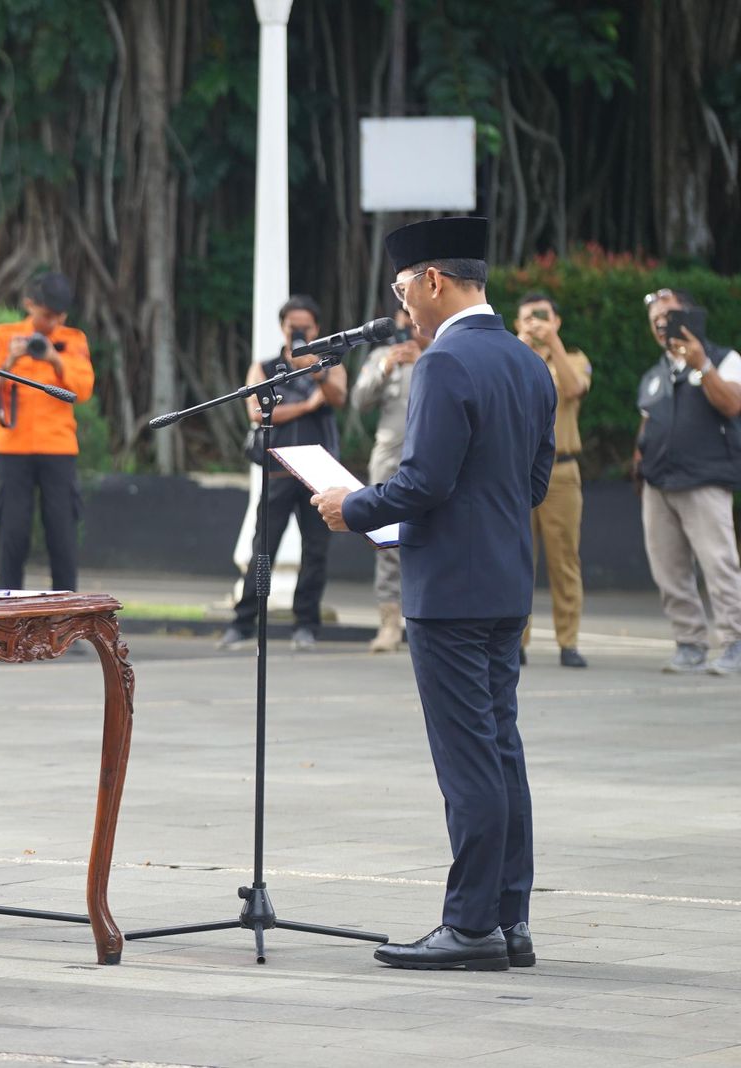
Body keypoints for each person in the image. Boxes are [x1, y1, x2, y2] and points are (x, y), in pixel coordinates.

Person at [313, 216, 556, 971]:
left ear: (433, 281)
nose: (401, 305)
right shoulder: (526, 363)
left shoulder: (445, 363)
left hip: (449, 589)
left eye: (402, 288)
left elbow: (424, 481)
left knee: (469, 761)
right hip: (505, 582)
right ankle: (509, 919)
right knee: (501, 749)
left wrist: (350, 508)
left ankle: (472, 926)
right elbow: (534, 483)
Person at [219, 295, 348, 652]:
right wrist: (306, 406)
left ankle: (306, 624)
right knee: (263, 549)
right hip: (277, 470)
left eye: (306, 326)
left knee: (315, 552)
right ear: (283, 327)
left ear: (317, 328)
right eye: (294, 327)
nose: (300, 332)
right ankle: (243, 622)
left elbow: (339, 397)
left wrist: (316, 369)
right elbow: (256, 414)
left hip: (319, 473)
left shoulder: (329, 362)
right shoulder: (265, 367)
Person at [635, 289, 741, 675]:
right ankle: (690, 642)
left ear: (691, 316)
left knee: (719, 562)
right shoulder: (654, 375)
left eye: (669, 314)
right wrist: (639, 467)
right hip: (659, 484)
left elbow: (732, 404)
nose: (661, 323)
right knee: (669, 568)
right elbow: (646, 426)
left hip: (705, 480)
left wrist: (702, 365)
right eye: (655, 321)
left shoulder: (725, 359)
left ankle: (735, 641)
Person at [0, 272, 96, 591]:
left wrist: (56, 359)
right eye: (47, 315)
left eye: (60, 316)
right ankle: (6, 620)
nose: (53, 322)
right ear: (29, 305)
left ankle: (65, 619)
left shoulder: (73, 339)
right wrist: (11, 360)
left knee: (63, 535)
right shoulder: (5, 336)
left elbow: (83, 390)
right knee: (12, 535)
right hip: (13, 448)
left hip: (58, 449)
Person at [515, 292, 592, 669]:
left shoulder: (573, 358)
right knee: (516, 558)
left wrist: (552, 343)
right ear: (515, 324)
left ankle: (569, 641)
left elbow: (576, 388)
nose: (535, 322)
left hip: (561, 472)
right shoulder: (511, 356)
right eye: (528, 317)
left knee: (565, 560)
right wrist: (522, 346)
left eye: (543, 316)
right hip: (515, 472)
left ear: (557, 321)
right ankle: (517, 641)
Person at [351, 306, 423, 653]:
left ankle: (423, 619)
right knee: (385, 539)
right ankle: (389, 623)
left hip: (427, 457)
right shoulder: (381, 354)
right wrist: (385, 367)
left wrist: (421, 358)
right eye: (401, 324)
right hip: (389, 455)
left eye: (411, 324)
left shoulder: (438, 353)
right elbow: (358, 401)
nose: (406, 331)